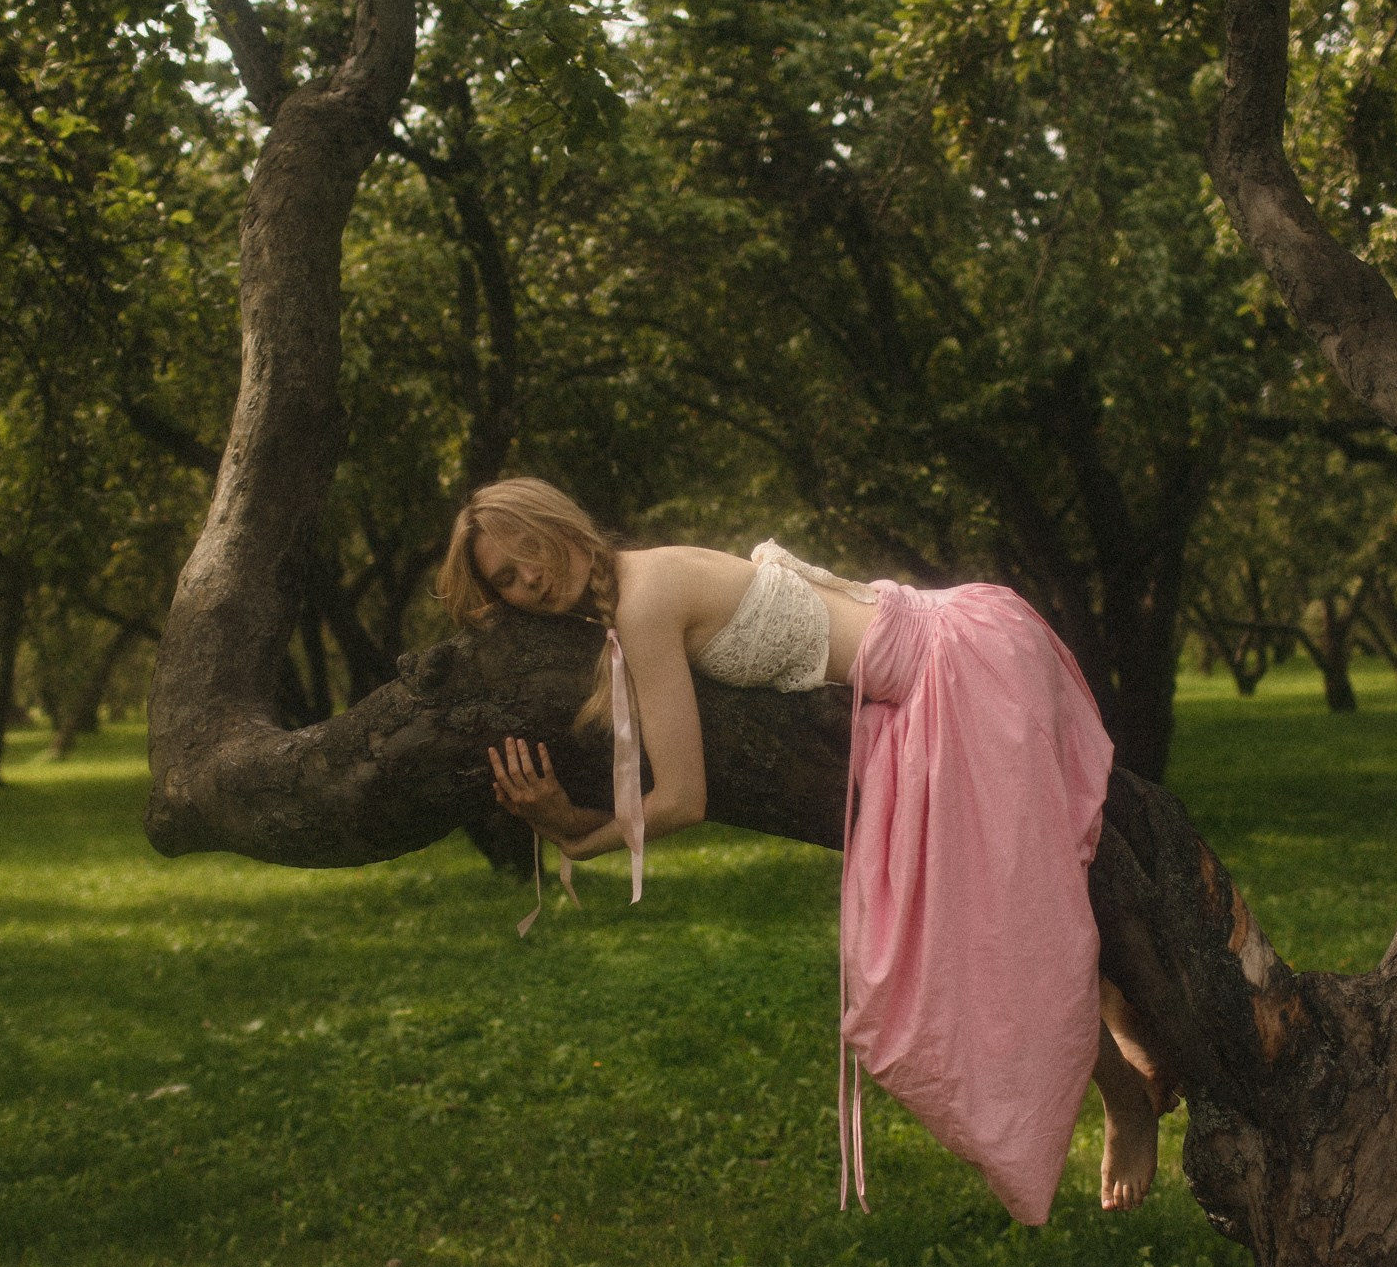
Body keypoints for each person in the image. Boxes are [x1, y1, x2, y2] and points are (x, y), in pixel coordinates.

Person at [437, 477, 1176, 1222]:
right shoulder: (630, 593)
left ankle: (1123, 1096)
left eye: (529, 551)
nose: (530, 577)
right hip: (934, 652)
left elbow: (682, 799)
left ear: (560, 525)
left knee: (993, 924)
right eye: (507, 579)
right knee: (1015, 892)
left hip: (949, 670)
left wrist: (575, 834)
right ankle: (1117, 1016)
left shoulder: (642, 599)